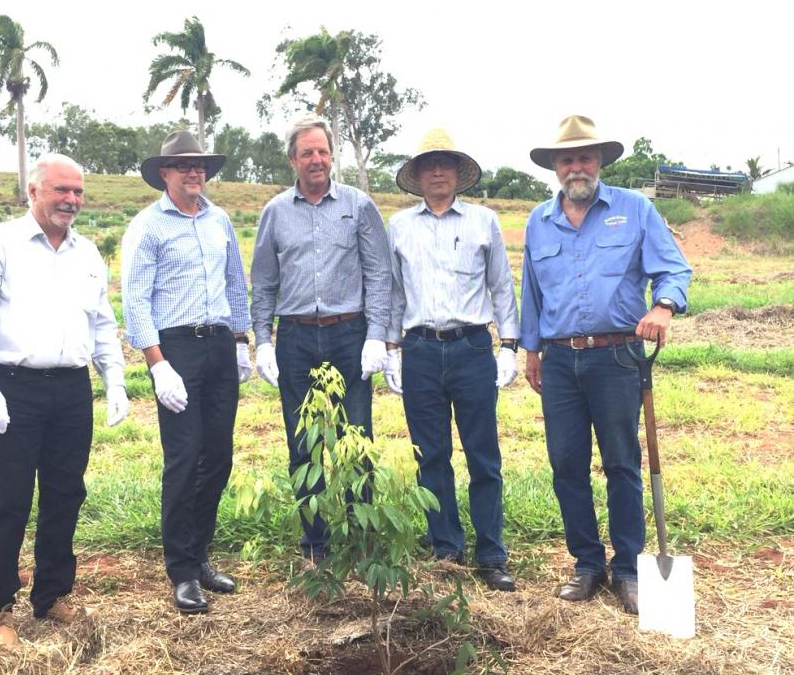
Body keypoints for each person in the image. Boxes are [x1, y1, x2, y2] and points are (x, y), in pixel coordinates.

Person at [0, 153, 128, 645]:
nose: (71, 201)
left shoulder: (87, 253)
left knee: (65, 493)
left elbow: (103, 325)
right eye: (61, 191)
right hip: (14, 386)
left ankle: (51, 595)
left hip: (72, 389)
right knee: (8, 499)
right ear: (34, 192)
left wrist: (114, 378)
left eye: (78, 193)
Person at [519, 115, 692, 614]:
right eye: (567, 158)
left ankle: (629, 568)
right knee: (566, 465)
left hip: (617, 356)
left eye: (585, 157)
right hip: (558, 362)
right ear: (555, 166)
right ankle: (587, 564)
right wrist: (532, 349)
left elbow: (674, 268)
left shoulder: (635, 209)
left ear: (599, 163)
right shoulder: (538, 220)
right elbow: (531, 289)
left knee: (621, 463)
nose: (577, 166)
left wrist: (663, 306)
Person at [250, 115, 392, 562]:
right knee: (303, 442)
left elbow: (378, 273)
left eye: (323, 152)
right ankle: (316, 543)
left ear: (333, 157)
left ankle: (360, 535)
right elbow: (265, 282)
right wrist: (263, 339)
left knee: (357, 437)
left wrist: (378, 336)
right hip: (295, 339)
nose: (316, 160)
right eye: (307, 152)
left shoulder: (358, 205)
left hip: (348, 334)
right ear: (292, 159)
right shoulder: (275, 212)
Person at [383, 129, 520, 591]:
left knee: (484, 455)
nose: (437, 171)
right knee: (432, 456)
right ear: (418, 175)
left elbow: (501, 286)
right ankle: (446, 549)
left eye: (445, 163)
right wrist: (391, 349)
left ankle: (491, 553)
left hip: (472, 348)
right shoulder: (400, 227)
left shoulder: (484, 221)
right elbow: (392, 293)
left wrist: (509, 346)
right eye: (428, 164)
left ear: (457, 173)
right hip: (420, 349)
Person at [122, 130, 251, 614]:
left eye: (200, 166)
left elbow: (236, 282)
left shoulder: (218, 220)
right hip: (175, 349)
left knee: (217, 456)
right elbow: (135, 298)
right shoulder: (148, 226)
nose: (194, 172)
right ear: (165, 174)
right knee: (184, 458)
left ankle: (200, 558)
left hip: (218, 344)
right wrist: (158, 365)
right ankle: (180, 570)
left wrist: (240, 341)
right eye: (183, 166)